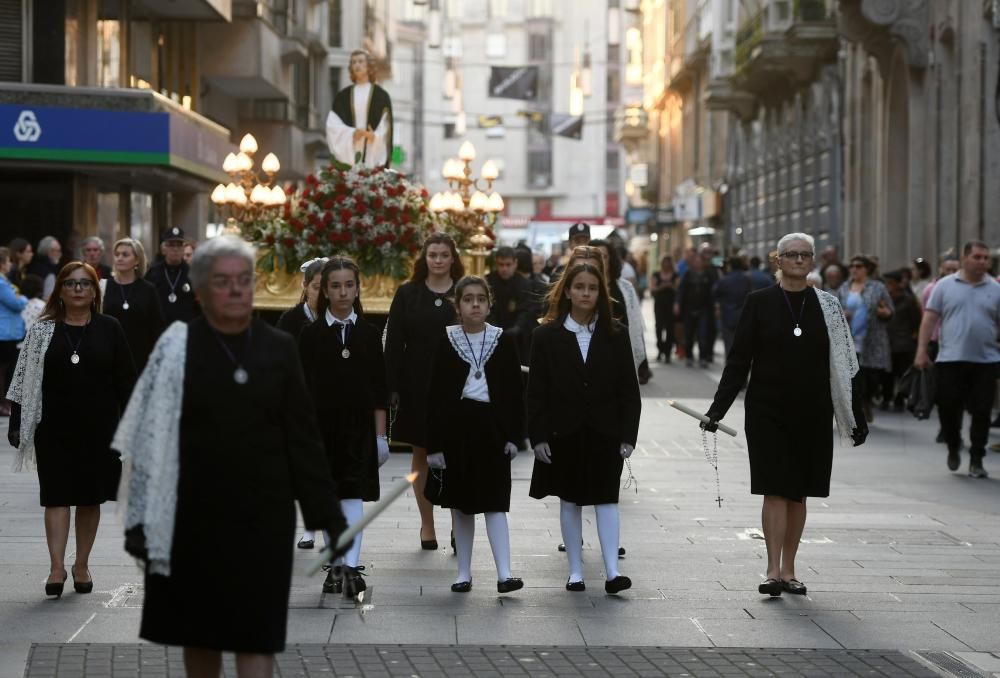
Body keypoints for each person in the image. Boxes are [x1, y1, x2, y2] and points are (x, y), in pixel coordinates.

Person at [114, 236, 347, 677]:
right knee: (201, 634)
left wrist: (328, 516)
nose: (237, 290)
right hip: (192, 518)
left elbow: (303, 439)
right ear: (200, 292)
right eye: (223, 282)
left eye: (244, 280)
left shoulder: (279, 347)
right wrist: (141, 520)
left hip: (262, 517)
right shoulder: (177, 347)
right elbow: (150, 438)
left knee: (255, 634)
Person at [702, 233, 868, 597]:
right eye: (791, 254)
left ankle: (790, 569)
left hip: (812, 410)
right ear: (778, 260)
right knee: (774, 489)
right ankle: (772, 569)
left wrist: (856, 415)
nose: (798, 260)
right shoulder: (759, 302)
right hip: (767, 410)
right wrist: (717, 409)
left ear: (812, 262)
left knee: (799, 494)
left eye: (804, 255)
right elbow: (739, 360)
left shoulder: (827, 305)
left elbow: (845, 363)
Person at [7, 262, 136, 598]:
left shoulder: (110, 328)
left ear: (95, 291)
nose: (78, 289)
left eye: (85, 284)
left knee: (90, 497)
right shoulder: (42, 330)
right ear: (60, 291)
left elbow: (126, 381)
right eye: (71, 283)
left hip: (100, 428)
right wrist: (19, 422)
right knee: (57, 496)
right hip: (54, 427)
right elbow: (23, 382)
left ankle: (81, 564)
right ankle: (56, 567)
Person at [527, 262, 640, 594]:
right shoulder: (545, 335)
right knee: (569, 501)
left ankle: (612, 572)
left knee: (607, 500)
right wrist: (538, 437)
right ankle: (575, 571)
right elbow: (536, 392)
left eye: (592, 288)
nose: (586, 293)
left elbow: (628, 391)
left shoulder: (615, 334)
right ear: (567, 291)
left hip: (605, 433)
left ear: (600, 293)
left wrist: (628, 436)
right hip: (564, 433)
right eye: (579, 287)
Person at [425, 276, 524, 594]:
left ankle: (505, 573)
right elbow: (436, 395)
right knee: (462, 505)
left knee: (496, 503)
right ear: (458, 304)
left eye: (481, 298)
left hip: (491, 428)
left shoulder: (503, 340)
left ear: (489, 303)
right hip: (457, 429)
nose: (475, 304)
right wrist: (434, 445)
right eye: (468, 299)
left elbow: (512, 391)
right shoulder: (446, 339)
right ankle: (463, 573)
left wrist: (512, 435)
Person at [298, 256, 389, 596]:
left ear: (357, 287)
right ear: (324, 291)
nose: (342, 292)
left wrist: (381, 436)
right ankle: (335, 565)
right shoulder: (311, 335)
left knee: (353, 497)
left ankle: (351, 566)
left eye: (349, 285)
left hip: (358, 428)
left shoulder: (367, 334)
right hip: (322, 428)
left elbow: (379, 389)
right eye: (334, 286)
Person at [385, 233, 464, 550]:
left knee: (457, 456)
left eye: (444, 255)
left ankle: (460, 526)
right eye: (433, 255)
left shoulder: (464, 292)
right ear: (424, 258)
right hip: (416, 385)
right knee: (420, 453)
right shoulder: (408, 293)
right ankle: (427, 526)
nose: (439, 260)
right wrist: (391, 386)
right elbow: (393, 344)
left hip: (457, 385)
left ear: (452, 258)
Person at [915, 241, 1000, 478]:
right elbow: (929, 320)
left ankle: (977, 458)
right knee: (949, 408)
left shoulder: (995, 288)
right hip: (950, 359)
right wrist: (921, 351)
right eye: (977, 257)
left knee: (982, 411)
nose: (983, 261)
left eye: (986, 258)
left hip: (986, 361)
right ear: (965, 258)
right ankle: (954, 445)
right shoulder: (944, 286)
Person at [837, 255, 893, 421]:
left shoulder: (877, 287)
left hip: (872, 339)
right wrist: (842, 314)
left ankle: (867, 399)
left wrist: (885, 313)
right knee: (854, 375)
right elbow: (835, 309)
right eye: (852, 266)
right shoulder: (844, 288)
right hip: (849, 339)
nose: (854, 269)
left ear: (867, 269)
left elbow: (890, 309)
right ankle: (859, 405)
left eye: (858, 266)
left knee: (871, 376)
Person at [591, 239, 650, 384]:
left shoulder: (625, 288)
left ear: (611, 259)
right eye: (595, 257)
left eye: (604, 256)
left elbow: (634, 322)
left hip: (619, 351)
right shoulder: (581, 287)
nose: (600, 261)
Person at [104, 239, 166, 373]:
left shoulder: (148, 289)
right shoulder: (104, 287)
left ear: (137, 260)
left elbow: (156, 326)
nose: (119, 258)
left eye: (125, 255)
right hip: (109, 355)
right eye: (117, 254)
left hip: (140, 356)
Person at [326, 50, 393, 168]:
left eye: (361, 61)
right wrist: (351, 133)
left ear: (369, 66)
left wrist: (374, 136)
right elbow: (333, 125)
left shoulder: (381, 96)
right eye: (354, 62)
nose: (357, 65)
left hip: (371, 155)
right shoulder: (342, 97)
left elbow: (386, 127)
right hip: (350, 152)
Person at [882, 270, 922, 411]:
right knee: (887, 374)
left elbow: (916, 321)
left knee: (902, 373)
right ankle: (886, 398)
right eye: (886, 283)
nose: (888, 286)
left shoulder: (908, 300)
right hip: (886, 341)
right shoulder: (883, 300)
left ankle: (900, 399)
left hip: (904, 343)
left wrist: (915, 338)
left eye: (891, 284)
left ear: (899, 284)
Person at [486, 246, 533, 360]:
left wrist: (517, 328)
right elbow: (487, 309)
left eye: (508, 264)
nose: (504, 269)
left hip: (517, 339)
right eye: (501, 265)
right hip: (491, 336)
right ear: (496, 264)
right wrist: (495, 329)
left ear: (515, 263)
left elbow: (526, 310)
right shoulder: (488, 282)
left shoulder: (524, 284)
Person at [675, 251, 718, 367]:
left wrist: (716, 305)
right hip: (689, 309)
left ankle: (703, 357)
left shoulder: (708, 274)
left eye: (700, 261)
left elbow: (714, 291)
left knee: (702, 334)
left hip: (704, 309)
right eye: (696, 261)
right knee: (689, 335)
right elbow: (681, 290)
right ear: (693, 263)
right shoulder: (688, 274)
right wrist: (677, 303)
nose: (698, 263)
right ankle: (689, 356)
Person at [146, 227, 198, 324]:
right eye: (171, 245)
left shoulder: (193, 273)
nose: (175, 249)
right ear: (164, 249)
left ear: (183, 248)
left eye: (179, 245)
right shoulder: (153, 272)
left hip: (186, 329)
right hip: (159, 328)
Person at [0, 247, 28, 416]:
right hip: (6, 333)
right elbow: (16, 303)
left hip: (7, 332)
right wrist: (24, 298)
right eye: (9, 261)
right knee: (6, 371)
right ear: (2, 263)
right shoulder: (2, 283)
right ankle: (4, 404)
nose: (11, 264)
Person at [713, 256, 753, 359]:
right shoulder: (747, 279)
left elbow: (715, 293)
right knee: (742, 341)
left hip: (728, 313)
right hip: (743, 313)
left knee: (728, 341)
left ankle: (730, 362)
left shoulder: (725, 280)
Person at [277, 258, 326, 341]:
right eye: (317, 288)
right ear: (306, 286)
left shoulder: (339, 317)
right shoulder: (289, 319)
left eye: (326, 287)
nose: (322, 294)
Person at [650, 255, 678, 363]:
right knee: (659, 327)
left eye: (668, 262)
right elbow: (652, 289)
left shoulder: (675, 275)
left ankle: (667, 352)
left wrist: (671, 286)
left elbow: (679, 289)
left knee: (670, 329)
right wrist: (662, 287)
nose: (666, 264)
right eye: (664, 262)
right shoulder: (656, 275)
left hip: (671, 305)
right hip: (659, 305)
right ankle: (660, 349)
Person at [28, 236, 63, 300]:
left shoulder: (32, 265)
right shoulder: (49, 273)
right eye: (57, 251)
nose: (59, 254)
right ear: (49, 252)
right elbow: (48, 299)